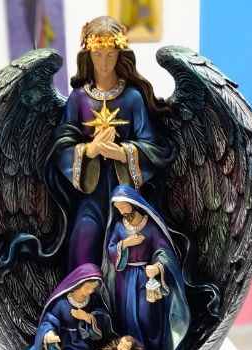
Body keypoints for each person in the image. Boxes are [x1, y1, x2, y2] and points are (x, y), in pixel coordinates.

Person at [48, 16, 176, 270]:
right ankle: (85, 293)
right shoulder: (78, 99)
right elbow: (60, 146)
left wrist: (124, 153)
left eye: (110, 54)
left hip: (127, 196)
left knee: (131, 248)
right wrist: (89, 149)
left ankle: (126, 294)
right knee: (83, 242)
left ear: (120, 54)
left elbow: (154, 146)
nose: (104, 63)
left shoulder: (133, 97)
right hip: (90, 196)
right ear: (88, 55)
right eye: (98, 55)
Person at [103, 184, 191, 350]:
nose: (120, 210)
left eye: (123, 205)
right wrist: (124, 244)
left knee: (148, 319)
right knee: (128, 321)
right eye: (117, 207)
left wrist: (158, 267)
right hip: (124, 281)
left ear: (132, 203)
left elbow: (165, 253)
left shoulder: (150, 227)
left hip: (145, 279)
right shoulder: (119, 227)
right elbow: (110, 250)